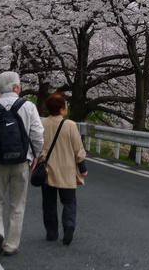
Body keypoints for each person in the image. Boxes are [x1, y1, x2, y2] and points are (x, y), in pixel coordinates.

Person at [0, 72, 44, 257]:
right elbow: (37, 134)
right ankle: (11, 245)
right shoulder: (28, 106)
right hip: (22, 161)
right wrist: (35, 155)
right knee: (17, 204)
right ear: (15, 87)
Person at [40, 91, 87, 246]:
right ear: (61, 109)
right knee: (69, 201)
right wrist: (82, 167)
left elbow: (36, 145)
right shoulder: (70, 125)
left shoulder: (42, 123)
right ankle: (69, 225)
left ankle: (52, 232)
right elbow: (78, 149)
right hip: (67, 170)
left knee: (49, 203)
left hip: (48, 170)